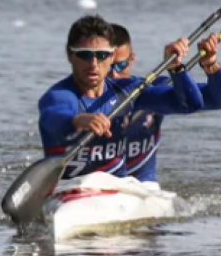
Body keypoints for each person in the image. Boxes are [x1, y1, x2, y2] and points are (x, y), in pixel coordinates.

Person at [38, 14, 204, 180]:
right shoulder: (59, 96)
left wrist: (176, 68)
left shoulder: (129, 91)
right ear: (70, 55)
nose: (94, 64)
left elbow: (190, 104)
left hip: (117, 191)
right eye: (85, 55)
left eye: (102, 55)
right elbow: (52, 118)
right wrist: (77, 121)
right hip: (70, 191)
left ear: (111, 57)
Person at [110, 23, 221, 183]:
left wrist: (209, 64)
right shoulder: (76, 97)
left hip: (141, 188)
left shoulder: (151, 90)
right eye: (107, 67)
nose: (113, 75)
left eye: (121, 65)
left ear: (132, 59)